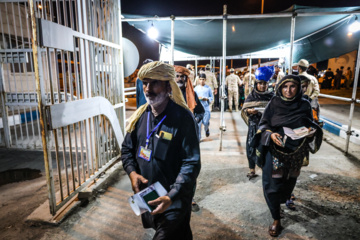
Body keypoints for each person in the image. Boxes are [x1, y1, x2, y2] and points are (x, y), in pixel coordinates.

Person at [121, 61, 201, 240]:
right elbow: (126, 149)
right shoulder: (141, 116)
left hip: (174, 198)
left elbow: (191, 163)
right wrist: (132, 173)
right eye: (145, 83)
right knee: (180, 234)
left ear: (168, 86)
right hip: (149, 194)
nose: (148, 89)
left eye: (154, 83)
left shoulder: (183, 118)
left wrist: (171, 196)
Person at [253, 75, 323, 237]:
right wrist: (270, 135)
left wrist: (311, 132)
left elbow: (310, 123)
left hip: (296, 151)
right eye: (285, 87)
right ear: (279, 88)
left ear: (298, 88)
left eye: (293, 87)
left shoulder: (304, 104)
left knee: (289, 181)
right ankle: (276, 218)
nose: (289, 90)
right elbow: (264, 124)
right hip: (276, 150)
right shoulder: (275, 103)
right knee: (273, 183)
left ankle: (282, 202)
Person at [174, 65, 205, 212]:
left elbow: (200, 112)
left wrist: (193, 121)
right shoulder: (168, 94)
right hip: (172, 138)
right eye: (177, 76)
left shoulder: (191, 94)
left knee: (190, 168)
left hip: (189, 138)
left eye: (183, 77)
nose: (180, 79)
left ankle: (190, 198)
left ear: (187, 79)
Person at [241, 66, 274, 180]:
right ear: (256, 84)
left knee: (266, 147)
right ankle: (252, 169)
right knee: (251, 147)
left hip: (267, 127)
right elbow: (245, 109)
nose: (262, 86)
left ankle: (266, 168)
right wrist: (250, 111)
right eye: (260, 83)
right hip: (254, 126)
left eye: (265, 84)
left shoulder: (272, 96)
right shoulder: (252, 96)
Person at [194, 73, 213, 139]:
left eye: (203, 79)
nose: (202, 81)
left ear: (205, 80)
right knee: (198, 124)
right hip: (198, 109)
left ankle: (207, 129)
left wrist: (207, 99)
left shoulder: (208, 88)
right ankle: (198, 138)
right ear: (198, 80)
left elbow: (211, 97)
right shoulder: (196, 89)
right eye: (200, 79)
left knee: (205, 122)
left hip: (206, 108)